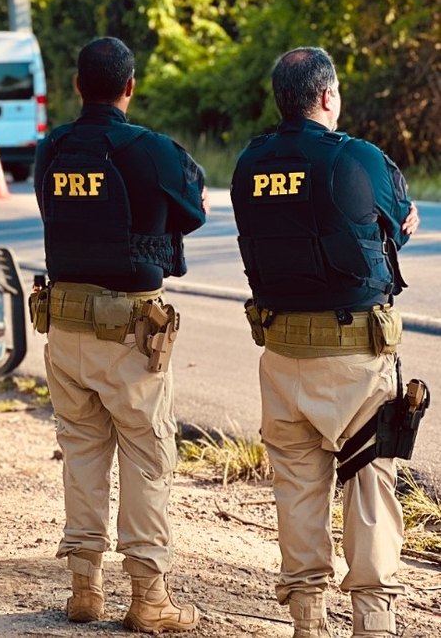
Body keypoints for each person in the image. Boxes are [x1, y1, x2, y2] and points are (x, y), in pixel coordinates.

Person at [231, 47, 421, 638]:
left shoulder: (248, 164)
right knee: (369, 482)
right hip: (355, 362)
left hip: (282, 357)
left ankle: (307, 621)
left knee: (296, 489)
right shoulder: (359, 160)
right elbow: (395, 223)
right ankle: (373, 621)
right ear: (327, 97)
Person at [33, 36, 207, 633]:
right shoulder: (151, 150)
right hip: (131, 333)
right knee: (147, 455)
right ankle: (148, 599)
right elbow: (194, 209)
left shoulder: (52, 148)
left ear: (78, 86)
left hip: (64, 326)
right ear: (130, 87)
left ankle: (85, 589)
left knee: (81, 452)